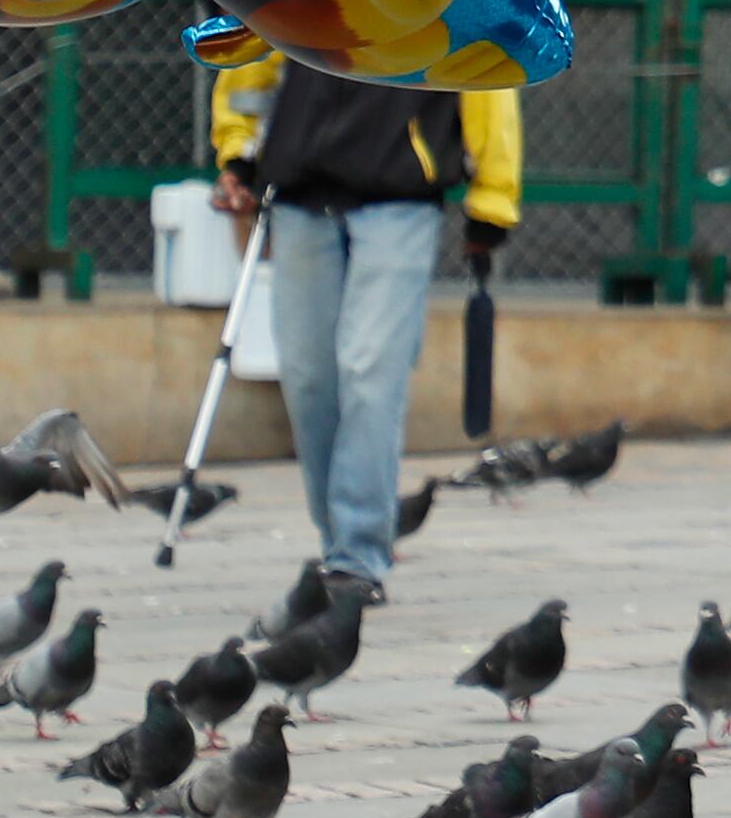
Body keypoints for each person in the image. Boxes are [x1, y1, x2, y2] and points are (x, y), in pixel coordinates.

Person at [204, 50, 521, 602]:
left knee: (371, 370)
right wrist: (238, 153)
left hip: (401, 195)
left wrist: (493, 196)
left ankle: (358, 556)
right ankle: (338, 544)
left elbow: (484, 63)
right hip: (300, 193)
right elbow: (255, 45)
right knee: (308, 377)